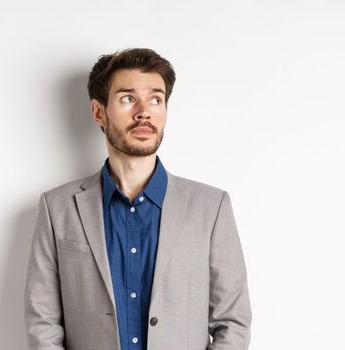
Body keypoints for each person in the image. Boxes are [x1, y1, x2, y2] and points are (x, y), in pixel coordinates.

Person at [24, 48, 251, 350]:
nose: (144, 111)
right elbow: (43, 322)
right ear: (98, 112)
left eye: (156, 99)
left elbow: (232, 322)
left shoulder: (211, 208)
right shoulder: (58, 208)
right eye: (128, 98)